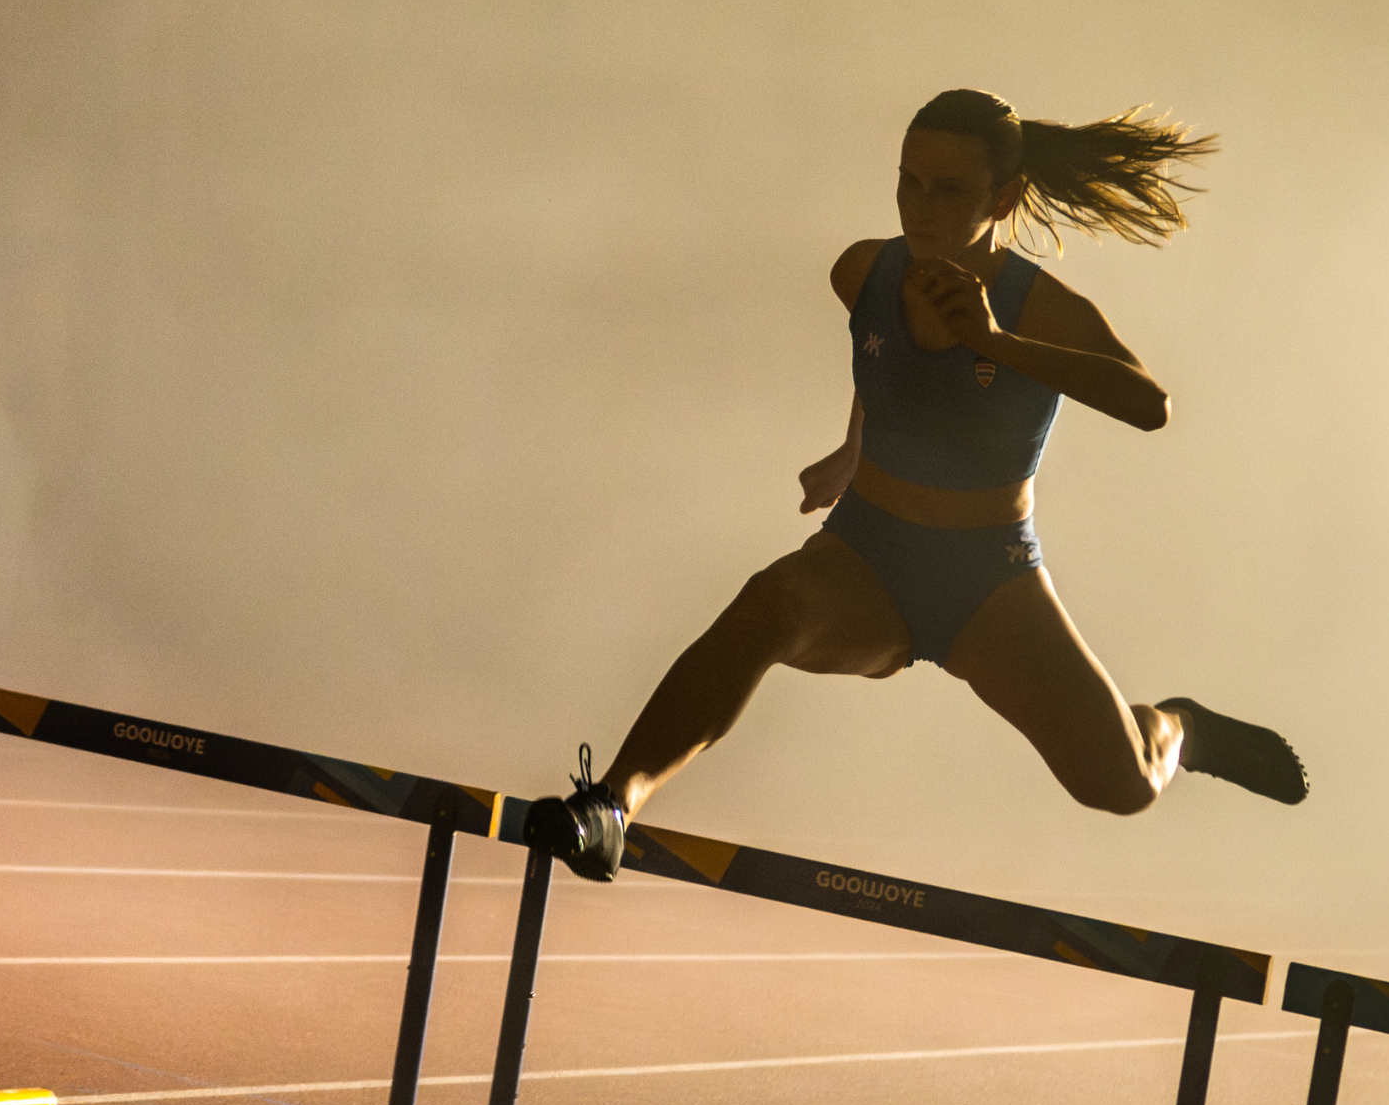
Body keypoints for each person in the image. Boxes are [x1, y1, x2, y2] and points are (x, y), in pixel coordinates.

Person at [527, 87, 1306, 883]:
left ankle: (1182, 729)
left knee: (1124, 786)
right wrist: (851, 450)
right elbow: (887, 367)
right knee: (770, 604)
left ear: (1002, 198)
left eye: (948, 191)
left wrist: (997, 342)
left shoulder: (1040, 307)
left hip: (988, 579)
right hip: (870, 554)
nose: (919, 208)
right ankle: (611, 808)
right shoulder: (860, 271)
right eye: (907, 182)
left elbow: (1151, 406)